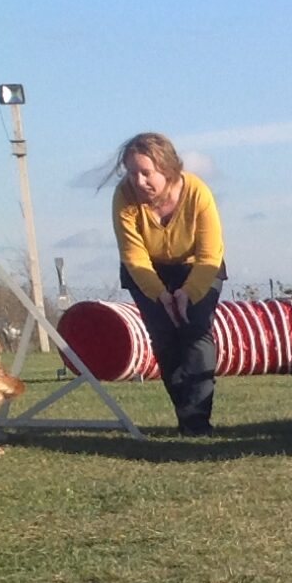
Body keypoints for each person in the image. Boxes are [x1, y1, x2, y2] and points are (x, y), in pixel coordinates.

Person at [113, 133, 226, 435]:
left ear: (167, 169)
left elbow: (210, 254)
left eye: (146, 173)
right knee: (165, 339)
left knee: (195, 331)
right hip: (148, 272)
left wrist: (188, 293)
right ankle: (186, 416)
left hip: (198, 269)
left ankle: (198, 422)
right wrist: (161, 295)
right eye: (132, 173)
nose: (139, 181)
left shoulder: (197, 193)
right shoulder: (124, 197)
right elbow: (133, 256)